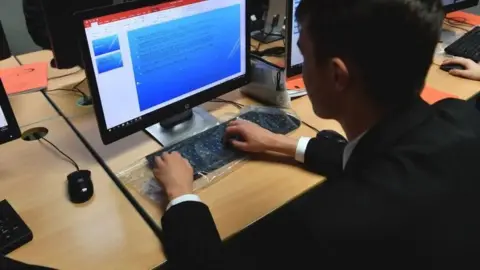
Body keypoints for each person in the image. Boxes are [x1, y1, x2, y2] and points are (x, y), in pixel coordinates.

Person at [155, 0, 480, 269]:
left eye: (305, 56)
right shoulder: (459, 116)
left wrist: (181, 196)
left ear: (337, 75)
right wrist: (281, 143)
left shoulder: (325, 228)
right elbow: (383, 157)